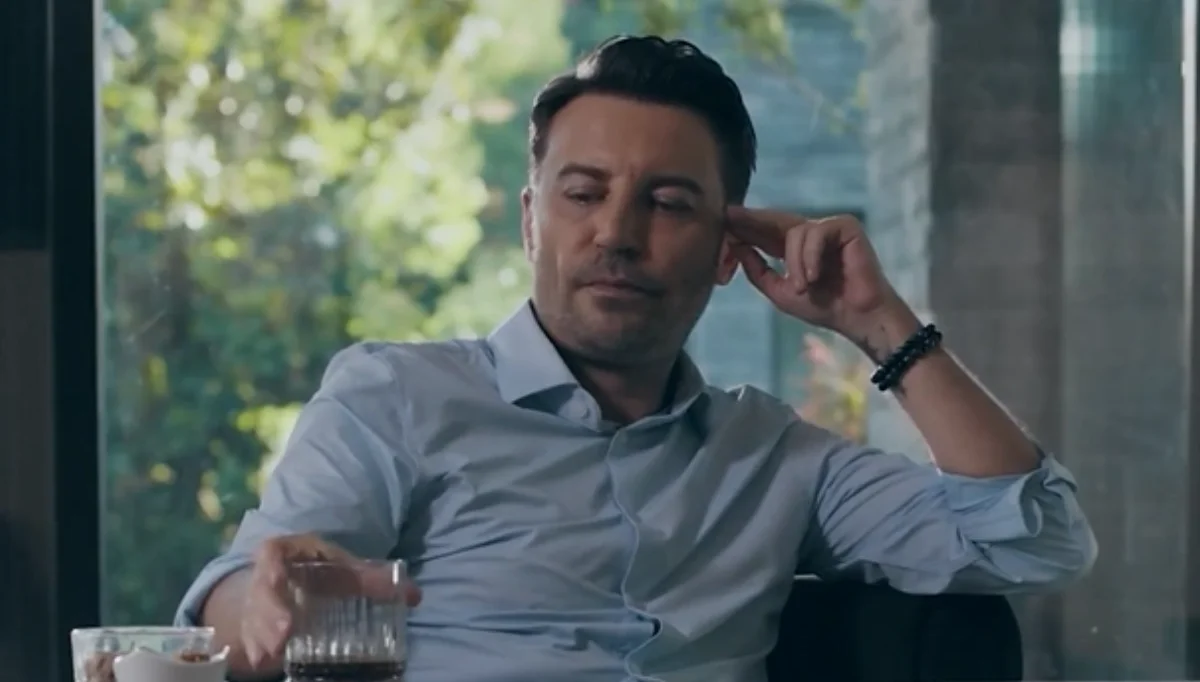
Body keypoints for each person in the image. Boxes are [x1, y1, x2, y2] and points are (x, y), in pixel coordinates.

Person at [176, 35, 1097, 682]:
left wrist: (880, 325)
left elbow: (1036, 540)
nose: (616, 234)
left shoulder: (773, 455)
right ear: (531, 221)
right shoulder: (396, 396)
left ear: (727, 248)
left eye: (668, 204)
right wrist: (264, 604)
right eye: (583, 194)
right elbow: (236, 598)